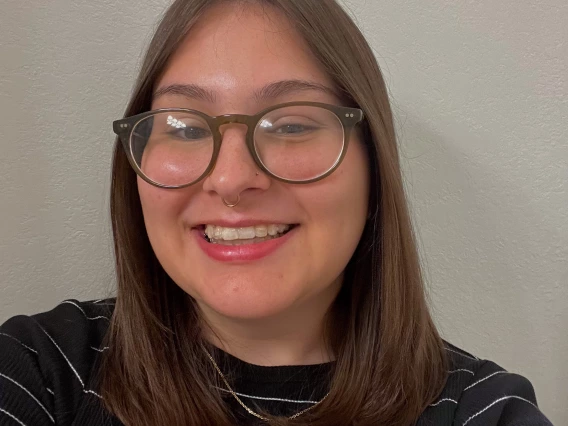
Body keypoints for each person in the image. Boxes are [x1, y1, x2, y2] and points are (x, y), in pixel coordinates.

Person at [0, 1, 554, 425]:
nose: (232, 178)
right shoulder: (40, 371)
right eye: (188, 128)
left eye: (291, 125)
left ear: (374, 163)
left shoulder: (483, 409)